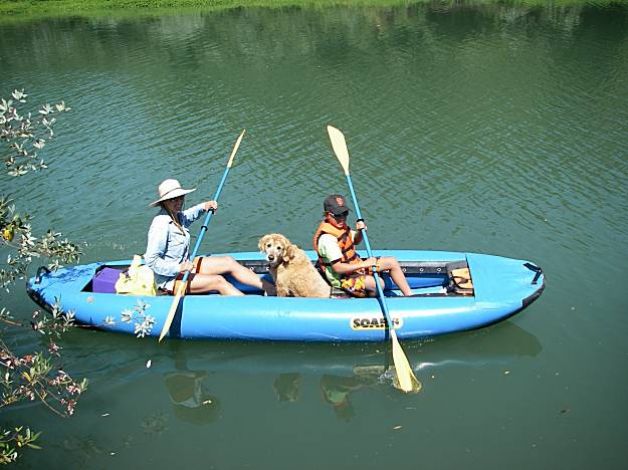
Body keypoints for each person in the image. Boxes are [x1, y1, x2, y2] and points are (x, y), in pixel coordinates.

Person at [144, 178, 264, 296]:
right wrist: (178, 267)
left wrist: (204, 206)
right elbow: (151, 260)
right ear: (164, 202)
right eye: (173, 199)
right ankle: (254, 307)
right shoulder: (160, 225)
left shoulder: (176, 216)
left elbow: (187, 216)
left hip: (186, 264)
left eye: (180, 197)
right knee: (218, 281)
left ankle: (272, 289)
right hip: (169, 279)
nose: (178, 202)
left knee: (229, 262)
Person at [312, 194, 413, 297]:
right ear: (328, 215)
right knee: (378, 283)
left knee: (391, 262)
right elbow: (338, 268)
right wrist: (364, 264)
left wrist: (360, 231)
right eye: (338, 215)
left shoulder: (340, 227)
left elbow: (355, 240)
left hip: (354, 267)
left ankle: (409, 296)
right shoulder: (328, 239)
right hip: (342, 279)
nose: (342, 218)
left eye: (345, 213)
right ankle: (370, 302)